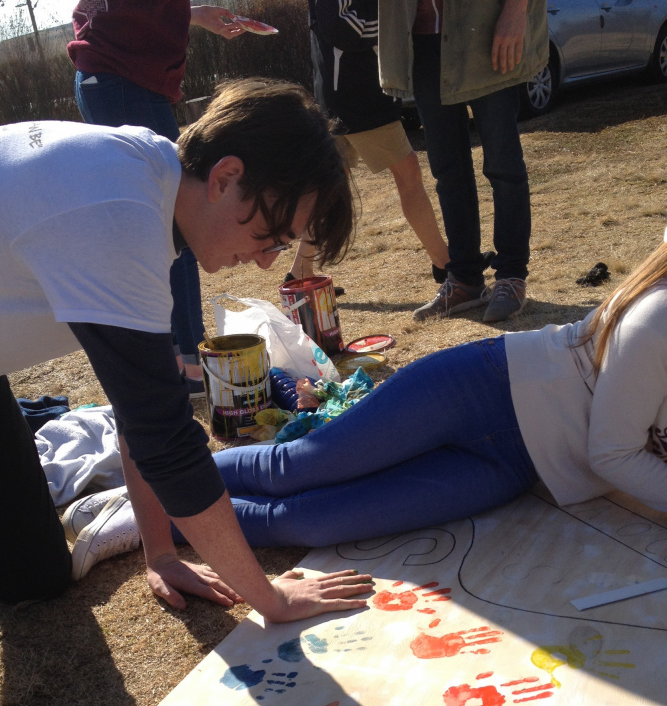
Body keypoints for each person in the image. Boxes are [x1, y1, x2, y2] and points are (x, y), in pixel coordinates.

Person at [0, 79, 374, 647]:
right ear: (224, 179)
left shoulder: (151, 184)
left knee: (37, 577)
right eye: (270, 235)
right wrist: (269, 599)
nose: (266, 261)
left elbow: (142, 404)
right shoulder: (117, 215)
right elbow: (166, 440)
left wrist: (163, 553)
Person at [179, 233, 666, 548]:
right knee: (295, 467)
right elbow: (613, 453)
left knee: (308, 524)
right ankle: (145, 498)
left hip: (513, 466)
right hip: (478, 391)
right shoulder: (659, 316)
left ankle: (156, 518)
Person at [68, 1, 247, 394]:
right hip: (121, 81)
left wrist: (191, 14)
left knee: (158, 222)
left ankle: (177, 361)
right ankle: (190, 366)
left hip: (118, 78)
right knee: (175, 218)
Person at [376, 0, 548, 324]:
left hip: (484, 26)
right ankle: (465, 279)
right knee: (447, 170)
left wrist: (516, 10)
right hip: (425, 38)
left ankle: (511, 275)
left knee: (503, 165)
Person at [286, 0, 448, 288]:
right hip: (356, 95)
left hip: (345, 93)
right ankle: (445, 264)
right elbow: (342, 25)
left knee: (329, 185)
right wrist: (397, 23)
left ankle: (300, 272)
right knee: (408, 172)